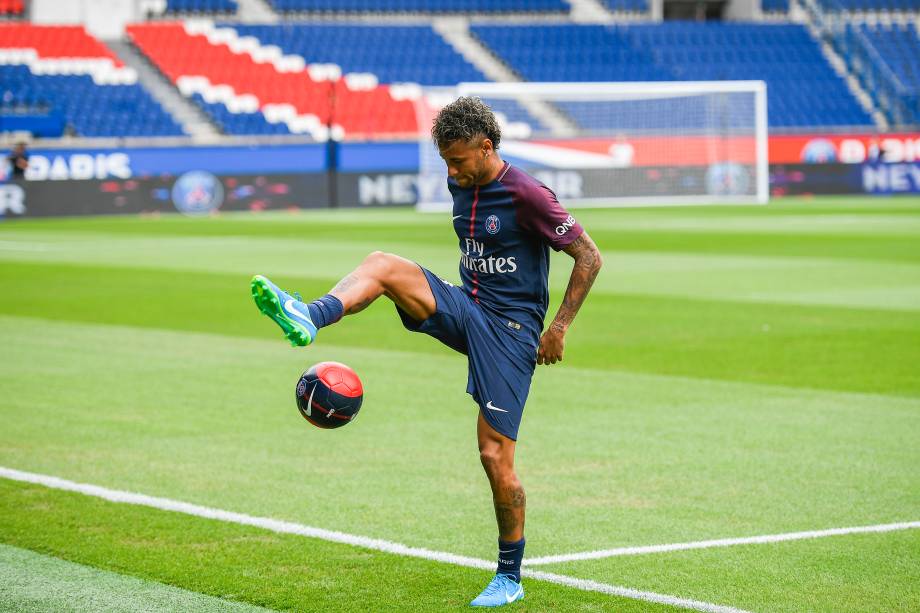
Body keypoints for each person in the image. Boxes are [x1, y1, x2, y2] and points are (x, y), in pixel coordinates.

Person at [251, 96, 602, 608]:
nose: (451, 170)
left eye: (458, 159)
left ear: (487, 147)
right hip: (467, 308)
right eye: (445, 160)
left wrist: (559, 327)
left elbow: (589, 257)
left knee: (493, 456)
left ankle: (510, 576)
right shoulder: (460, 180)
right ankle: (310, 314)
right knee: (383, 263)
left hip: (511, 333)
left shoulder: (528, 195)